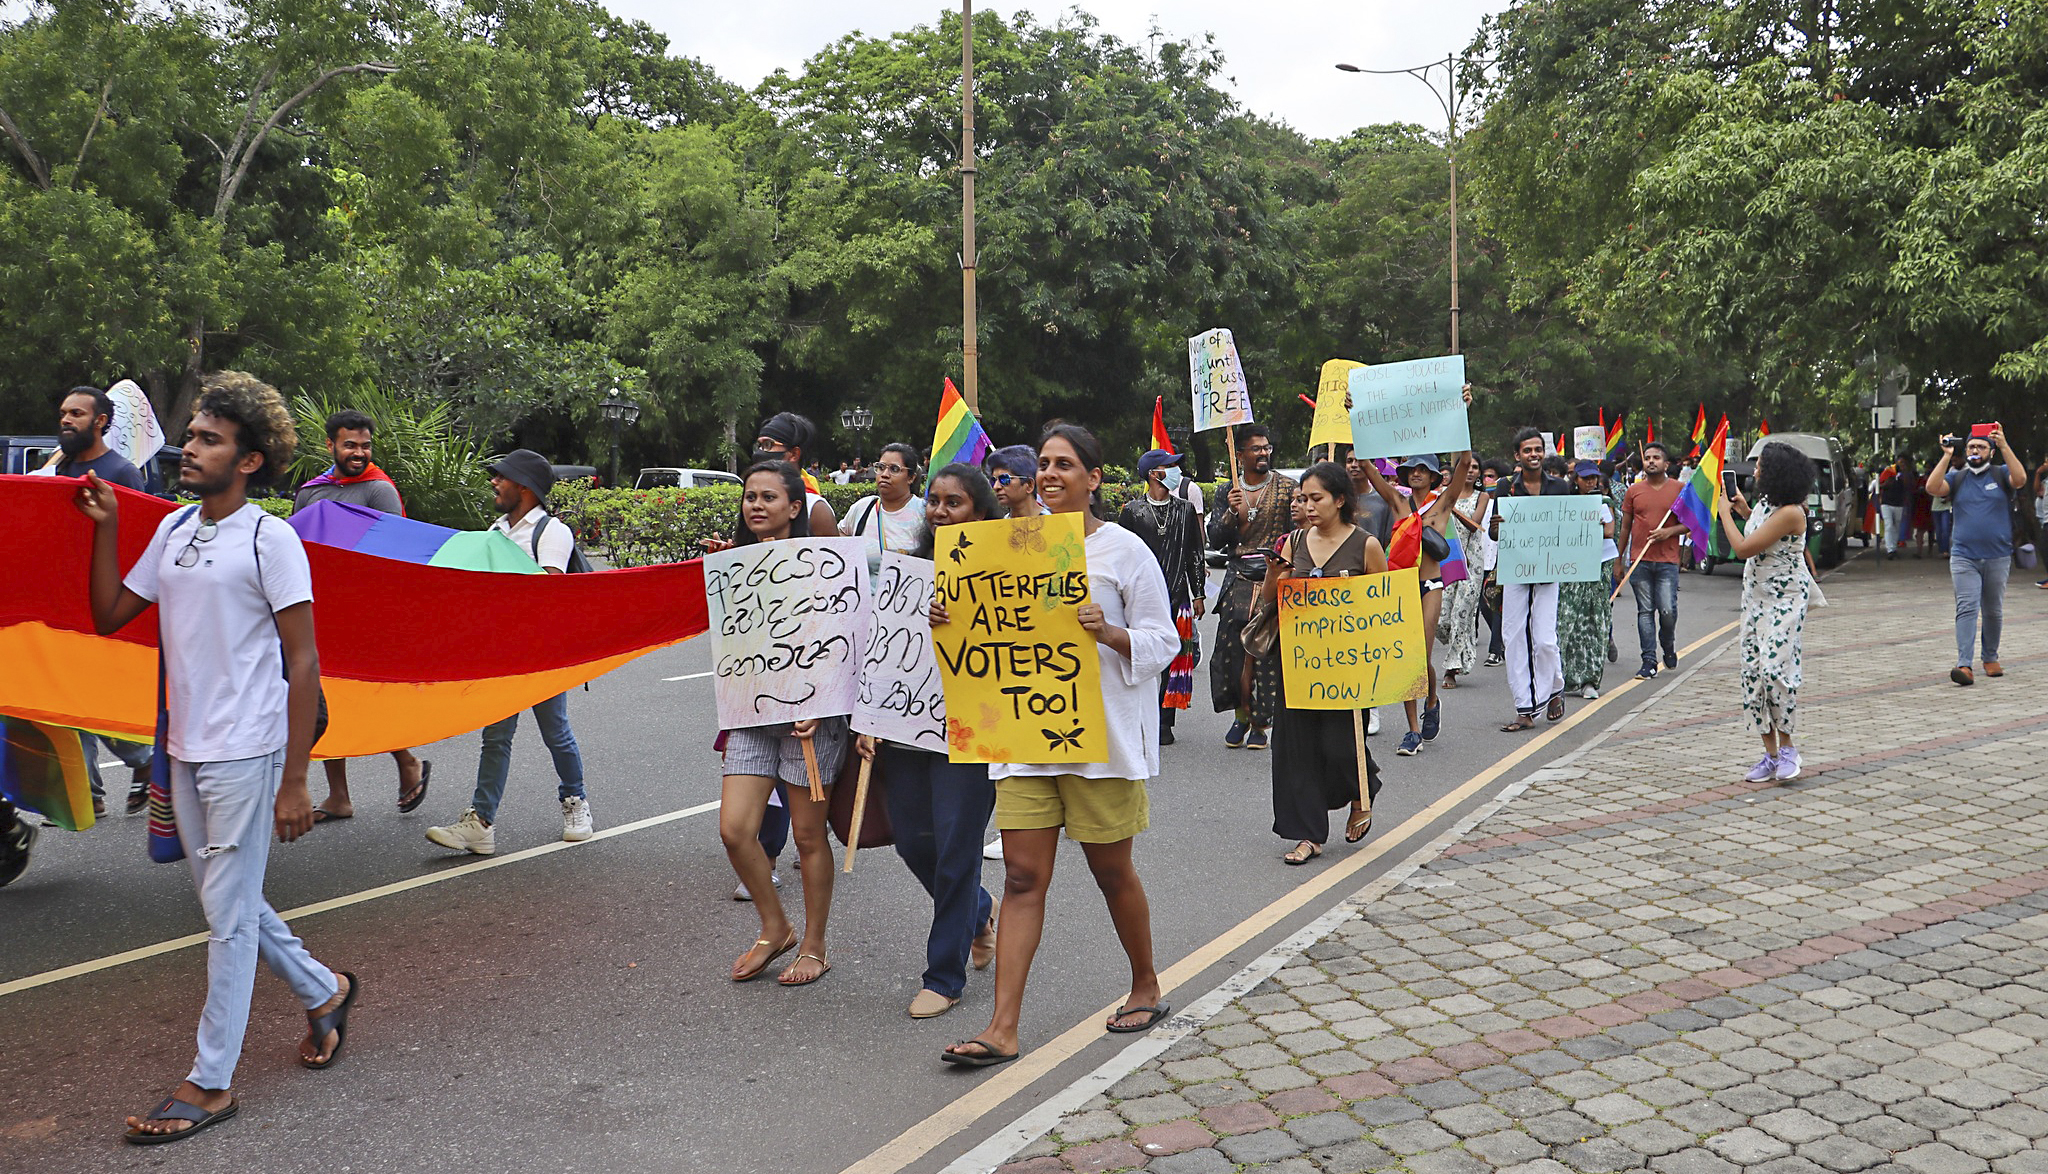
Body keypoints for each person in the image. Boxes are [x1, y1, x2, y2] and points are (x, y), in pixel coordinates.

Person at [76, 371, 353, 1143]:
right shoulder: (171, 529)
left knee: (226, 922)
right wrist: (105, 527)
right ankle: (323, 990)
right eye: (192, 435)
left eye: (208, 439)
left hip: (248, 750)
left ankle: (210, 1083)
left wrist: (296, 779)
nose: (189, 448)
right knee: (227, 905)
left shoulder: (273, 539)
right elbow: (109, 615)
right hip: (183, 749)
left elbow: (304, 663)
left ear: (249, 461)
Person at [942, 425, 1179, 1068]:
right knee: (1021, 878)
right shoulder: (1004, 548)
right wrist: (947, 617)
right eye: (1043, 463)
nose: (1048, 473)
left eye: (1064, 464)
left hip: (1097, 742)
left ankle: (1146, 983)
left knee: (1110, 871)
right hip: (1023, 738)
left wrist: (1113, 634)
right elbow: (980, 630)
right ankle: (1002, 1028)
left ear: (1094, 478)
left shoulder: (1125, 551)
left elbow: (1165, 642)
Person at [854, 463, 1001, 1019]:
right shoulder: (905, 570)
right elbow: (880, 644)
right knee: (915, 843)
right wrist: (868, 718)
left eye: (955, 502)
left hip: (970, 736)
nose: (940, 511)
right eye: (935, 501)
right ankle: (980, 910)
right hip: (905, 732)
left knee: (958, 850)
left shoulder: (1006, 572)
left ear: (981, 512)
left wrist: (967, 619)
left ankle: (944, 975)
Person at [714, 460, 848, 986]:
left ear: (795, 508)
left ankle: (814, 945)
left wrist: (822, 705)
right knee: (734, 830)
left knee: (809, 838)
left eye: (768, 497)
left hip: (810, 722)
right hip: (751, 713)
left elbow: (847, 638)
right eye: (750, 496)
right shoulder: (735, 566)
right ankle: (776, 927)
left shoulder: (826, 566)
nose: (756, 505)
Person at [425, 451, 592, 855]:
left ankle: (576, 803)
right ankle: (481, 823)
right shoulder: (496, 531)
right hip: (502, 653)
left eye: (501, 477)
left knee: (556, 732)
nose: (494, 483)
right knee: (495, 736)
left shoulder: (552, 532)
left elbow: (547, 591)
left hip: (540, 654)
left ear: (524, 487)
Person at [291, 409, 429, 822]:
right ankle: (339, 796)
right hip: (320, 611)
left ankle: (407, 761)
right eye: (350, 445)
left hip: (366, 613)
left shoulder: (378, 490)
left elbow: (397, 554)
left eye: (366, 446)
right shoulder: (311, 492)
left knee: (366, 695)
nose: (359, 452)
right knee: (324, 699)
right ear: (331, 445)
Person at [1266, 463, 1386, 864]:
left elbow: (1383, 609)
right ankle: (1308, 835)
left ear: (1340, 499)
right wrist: (1274, 576)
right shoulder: (1294, 542)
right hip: (1298, 662)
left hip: (1346, 666)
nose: (1308, 506)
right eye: (1303, 498)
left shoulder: (1366, 545)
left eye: (1316, 498)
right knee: (1296, 749)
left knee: (1338, 745)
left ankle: (1362, 785)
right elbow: (1271, 601)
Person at [45, 386, 154, 814]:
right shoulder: (58, 470)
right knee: (64, 697)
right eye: (62, 413)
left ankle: (143, 762)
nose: (66, 420)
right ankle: (87, 793)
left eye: (76, 413)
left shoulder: (122, 472)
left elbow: (135, 542)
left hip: (103, 605)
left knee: (89, 696)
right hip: (62, 601)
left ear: (101, 421)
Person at [1360, 449, 1474, 755]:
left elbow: (1464, 462)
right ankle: (1412, 731)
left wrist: (1461, 415)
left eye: (1423, 469)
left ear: (1434, 475)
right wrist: (1355, 419)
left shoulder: (1444, 503)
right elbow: (1367, 466)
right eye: (1411, 469)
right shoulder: (1398, 502)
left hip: (1430, 584)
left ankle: (1432, 700)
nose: (1417, 473)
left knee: (1421, 658)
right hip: (1401, 585)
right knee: (1406, 659)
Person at [1718, 442, 1814, 782]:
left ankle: (1788, 750)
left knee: (1775, 669)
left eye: (1760, 466)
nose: (1754, 471)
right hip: (1755, 597)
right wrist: (1744, 510)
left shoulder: (1792, 512)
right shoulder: (1765, 505)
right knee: (1753, 674)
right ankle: (1771, 755)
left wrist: (1724, 515)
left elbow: (1744, 548)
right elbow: (1760, 531)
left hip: (1784, 599)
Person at [1206, 425, 1297, 750]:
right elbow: (1215, 539)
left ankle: (1260, 723)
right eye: (1255, 448)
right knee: (1232, 654)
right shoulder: (1227, 490)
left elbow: (1298, 536)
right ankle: (1241, 716)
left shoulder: (1288, 488)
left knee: (1266, 655)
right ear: (1240, 454)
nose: (1263, 453)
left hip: (1274, 580)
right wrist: (1231, 512)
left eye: (1266, 448)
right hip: (1239, 580)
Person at [1119, 450, 1205, 746]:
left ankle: (1165, 719)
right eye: (1169, 466)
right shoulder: (1132, 511)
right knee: (1141, 657)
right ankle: (1139, 716)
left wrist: (1199, 594)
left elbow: (1195, 554)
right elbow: (1124, 557)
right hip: (1140, 598)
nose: (1176, 471)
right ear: (1154, 473)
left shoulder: (1184, 510)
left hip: (1178, 595)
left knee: (1175, 658)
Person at [1927, 426, 2026, 685]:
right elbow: (1932, 487)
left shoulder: (2001, 473)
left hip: (1998, 555)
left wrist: (2004, 445)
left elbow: (2021, 479)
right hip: (1964, 556)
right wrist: (1947, 455)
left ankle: (1990, 658)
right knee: (1967, 607)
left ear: (1990, 452)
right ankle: (1964, 665)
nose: (1975, 450)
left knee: (1993, 610)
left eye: (1981, 447)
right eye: (1971, 446)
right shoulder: (1958, 478)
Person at [1491, 428, 1572, 732]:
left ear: (1544, 452)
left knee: (1544, 639)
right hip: (1516, 570)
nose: (1534, 455)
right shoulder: (1505, 488)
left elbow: (1571, 529)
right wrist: (1498, 526)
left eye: (1538, 449)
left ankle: (1554, 686)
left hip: (1549, 571)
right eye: (1528, 450)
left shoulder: (1561, 488)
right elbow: (1495, 534)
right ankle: (1524, 708)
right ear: (1517, 455)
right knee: (1513, 638)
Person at [1619, 441, 1685, 680]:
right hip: (1639, 560)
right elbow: (1625, 527)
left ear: (1666, 464)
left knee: (1667, 611)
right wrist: (1619, 560)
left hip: (1667, 561)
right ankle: (1648, 660)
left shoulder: (1680, 489)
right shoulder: (1633, 491)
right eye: (1647, 458)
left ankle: (1668, 644)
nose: (1651, 461)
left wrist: (1669, 532)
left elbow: (1691, 524)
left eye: (1656, 457)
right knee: (1645, 611)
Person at [1560, 461, 1618, 699]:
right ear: (1576, 480)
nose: (1591, 482)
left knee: (1594, 624)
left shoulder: (1605, 503)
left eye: (1594, 478)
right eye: (1586, 478)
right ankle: (1566, 679)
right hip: (1572, 572)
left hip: (1598, 571)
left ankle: (1590, 680)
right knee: (1568, 624)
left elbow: (1608, 531)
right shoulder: (1567, 504)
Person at [1438, 459, 1492, 689]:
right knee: (1442, 619)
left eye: (1475, 468)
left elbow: (1474, 524)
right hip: (1447, 559)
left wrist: (1451, 507)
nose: (1470, 471)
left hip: (1472, 563)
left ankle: (1452, 669)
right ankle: (1465, 644)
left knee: (1460, 613)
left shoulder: (1482, 496)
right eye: (1466, 467)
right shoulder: (1443, 494)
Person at [839, 442, 927, 579]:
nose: (885, 474)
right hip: (865, 599)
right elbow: (840, 538)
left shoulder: (924, 512)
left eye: (894, 469)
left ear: (911, 477)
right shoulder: (862, 508)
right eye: (880, 467)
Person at [984, 444, 1042, 519]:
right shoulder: (997, 528)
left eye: (1004, 479)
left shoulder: (1056, 522)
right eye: (993, 481)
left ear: (1029, 485)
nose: (996, 487)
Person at [1879, 457, 1915, 558]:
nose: (1901, 465)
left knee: (1897, 525)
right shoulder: (1887, 473)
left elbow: (1909, 487)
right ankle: (1890, 549)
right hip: (1886, 503)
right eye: (1899, 463)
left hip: (1899, 503)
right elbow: (1879, 484)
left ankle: (1894, 547)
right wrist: (1886, 483)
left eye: (1903, 463)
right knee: (1889, 524)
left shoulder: (1906, 476)